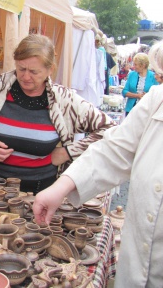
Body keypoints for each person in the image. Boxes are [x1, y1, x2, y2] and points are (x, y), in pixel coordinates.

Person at [32, 39, 163, 287]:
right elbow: (114, 150)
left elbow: (102, 126)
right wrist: (61, 187)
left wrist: (67, 152)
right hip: (137, 270)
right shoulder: (157, 99)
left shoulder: (64, 97)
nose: (159, 81)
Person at [0, 34, 116, 194]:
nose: (25, 76)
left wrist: (67, 152)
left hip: (40, 193)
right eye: (21, 69)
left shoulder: (64, 100)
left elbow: (110, 129)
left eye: (34, 71)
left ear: (50, 69)